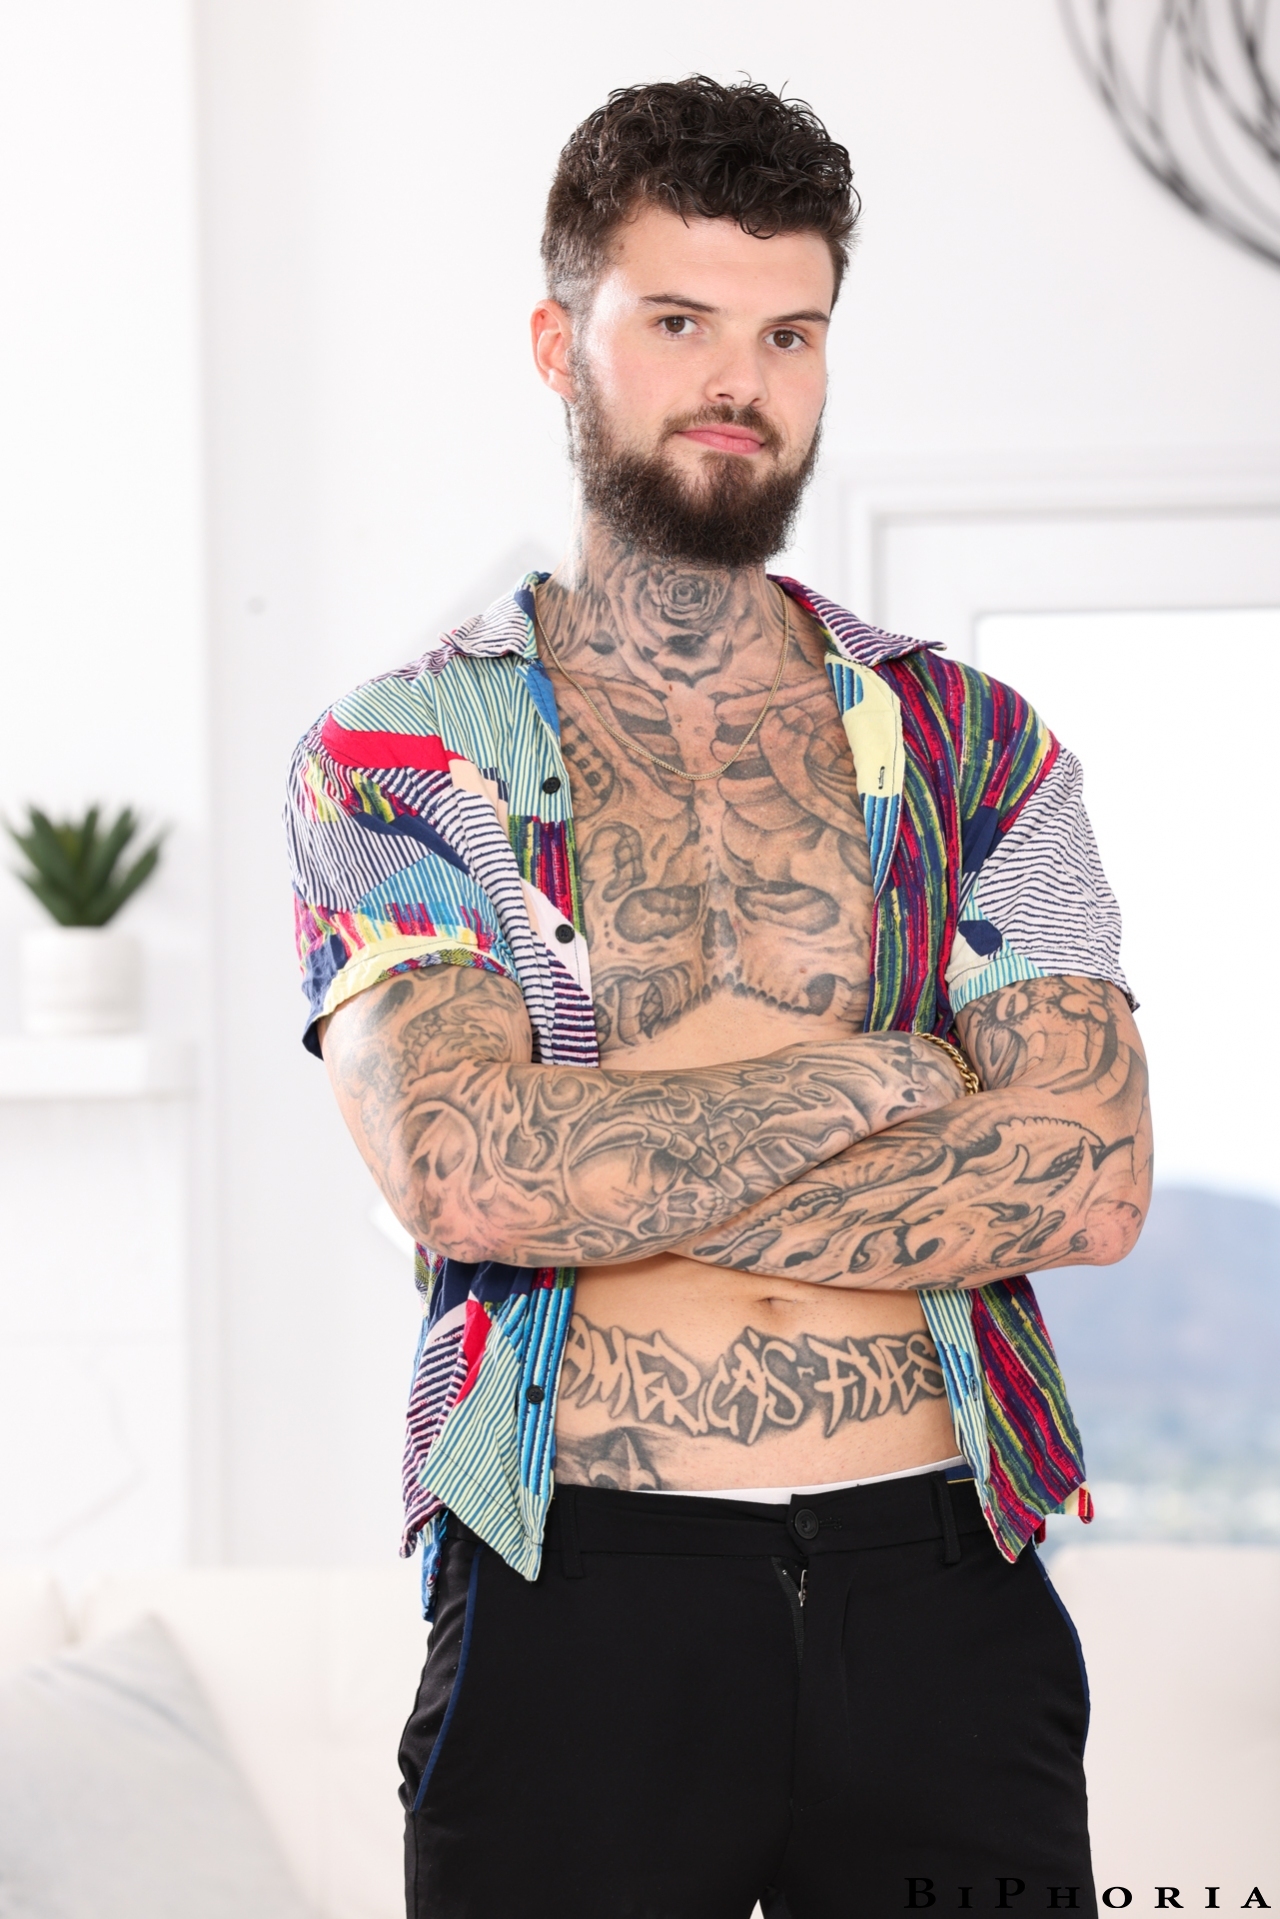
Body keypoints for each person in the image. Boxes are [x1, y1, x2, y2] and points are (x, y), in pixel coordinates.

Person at [286, 76, 1150, 1919]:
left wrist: (603, 1161)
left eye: (788, 333)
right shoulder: (401, 753)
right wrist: (890, 1081)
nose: (737, 381)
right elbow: (468, 1171)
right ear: (559, 344)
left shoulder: (981, 747)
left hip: (947, 1595)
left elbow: (1091, 1180)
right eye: (677, 321)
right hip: (576, 1603)